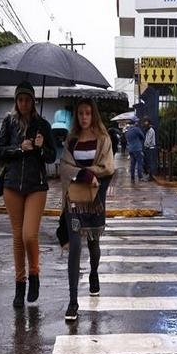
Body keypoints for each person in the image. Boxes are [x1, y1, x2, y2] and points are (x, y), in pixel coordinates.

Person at [0, 81, 57, 308]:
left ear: (33, 101)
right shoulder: (9, 123)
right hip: (12, 185)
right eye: (20, 99)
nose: (23, 103)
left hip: (36, 186)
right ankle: (19, 285)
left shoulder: (43, 125)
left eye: (27, 99)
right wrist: (20, 148)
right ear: (16, 101)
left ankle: (35, 275)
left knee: (29, 235)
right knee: (17, 237)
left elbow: (52, 157)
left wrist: (40, 147)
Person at [59, 98, 115, 320]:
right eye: (80, 113)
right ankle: (73, 301)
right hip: (74, 199)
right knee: (74, 246)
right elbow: (65, 167)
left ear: (93, 115)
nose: (84, 117)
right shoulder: (71, 141)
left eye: (87, 113)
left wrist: (90, 174)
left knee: (93, 244)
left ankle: (93, 273)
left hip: (94, 199)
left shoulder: (103, 140)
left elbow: (108, 167)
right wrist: (85, 174)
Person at [125, 116, 145, 183]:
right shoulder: (137, 129)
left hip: (131, 149)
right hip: (137, 149)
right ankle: (140, 177)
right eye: (137, 121)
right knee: (139, 163)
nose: (138, 122)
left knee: (132, 164)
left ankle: (132, 178)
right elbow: (142, 136)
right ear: (135, 122)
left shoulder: (128, 130)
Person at [142, 116, 157, 181]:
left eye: (146, 121)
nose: (145, 123)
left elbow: (148, 140)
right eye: (144, 121)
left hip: (150, 148)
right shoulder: (148, 130)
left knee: (151, 163)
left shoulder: (151, 130)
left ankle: (151, 176)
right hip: (148, 148)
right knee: (148, 163)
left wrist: (145, 145)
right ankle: (149, 176)